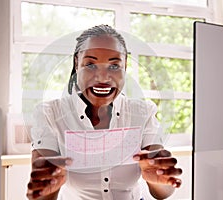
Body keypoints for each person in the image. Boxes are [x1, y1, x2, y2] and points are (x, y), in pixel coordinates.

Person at [26, 24, 182, 200]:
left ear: (125, 66)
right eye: (91, 65)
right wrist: (49, 187)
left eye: (114, 66)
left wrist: (159, 179)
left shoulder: (143, 113)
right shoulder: (49, 114)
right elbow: (42, 192)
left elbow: (162, 192)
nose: (102, 78)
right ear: (77, 64)